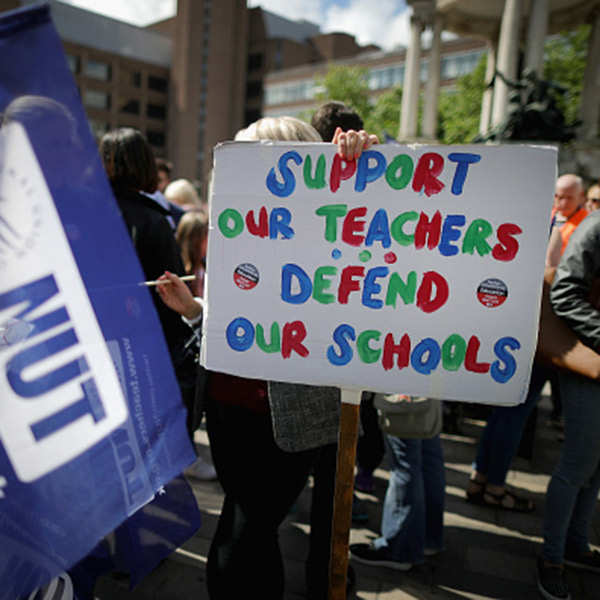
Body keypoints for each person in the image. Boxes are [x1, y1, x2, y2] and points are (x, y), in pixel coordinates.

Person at [157, 116, 378, 600]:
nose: (240, 171)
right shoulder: (242, 221)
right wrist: (197, 312)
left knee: (251, 526)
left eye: (254, 158)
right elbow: (244, 308)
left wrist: (360, 164)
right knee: (246, 520)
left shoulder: (332, 213)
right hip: (229, 403)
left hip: (291, 409)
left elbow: (375, 236)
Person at [99, 128, 198, 437]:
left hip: (93, 343)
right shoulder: (155, 220)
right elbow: (172, 290)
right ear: (146, 164)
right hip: (143, 350)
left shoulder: (83, 213)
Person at [537, 209, 600, 600]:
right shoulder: (596, 225)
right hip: (587, 362)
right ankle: (551, 559)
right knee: (578, 464)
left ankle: (575, 545)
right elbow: (565, 292)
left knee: (595, 468)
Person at [350, 415, 445, 571]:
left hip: (406, 397)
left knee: (405, 459)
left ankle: (400, 548)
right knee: (427, 452)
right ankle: (427, 538)